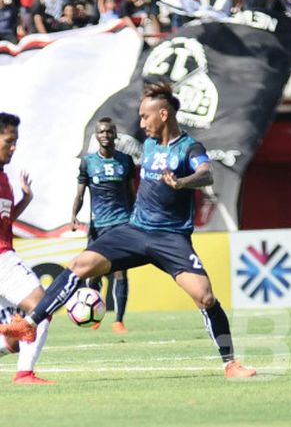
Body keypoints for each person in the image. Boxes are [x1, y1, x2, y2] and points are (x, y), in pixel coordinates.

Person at [0, 83, 256, 379]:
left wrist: (184, 182)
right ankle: (30, 323)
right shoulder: (147, 145)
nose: (141, 123)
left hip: (171, 237)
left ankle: (231, 364)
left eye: (145, 117)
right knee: (79, 265)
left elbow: (206, 172)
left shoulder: (189, 148)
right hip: (135, 230)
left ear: (163, 114)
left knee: (206, 297)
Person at [0, 112, 53, 384]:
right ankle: (24, 374)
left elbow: (5, 220)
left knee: (13, 337)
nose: (14, 147)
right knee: (41, 307)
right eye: (9, 140)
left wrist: (25, 200)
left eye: (16, 141)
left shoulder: (4, 178)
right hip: (2, 259)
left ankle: (22, 366)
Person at [71, 118, 136, 334]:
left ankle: (119, 320)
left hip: (121, 223)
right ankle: (95, 316)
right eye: (101, 132)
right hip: (98, 225)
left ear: (115, 135)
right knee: (94, 273)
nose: (105, 135)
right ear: (96, 135)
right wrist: (73, 215)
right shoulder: (87, 162)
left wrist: (137, 217)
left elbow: (131, 192)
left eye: (109, 131)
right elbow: (80, 193)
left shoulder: (126, 161)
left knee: (120, 272)